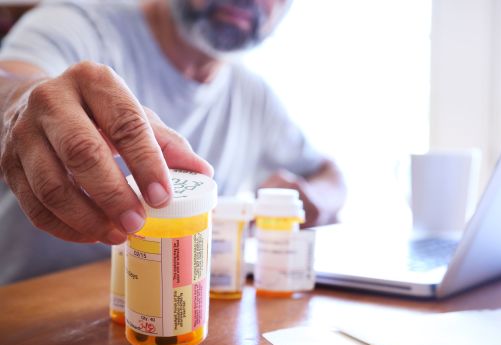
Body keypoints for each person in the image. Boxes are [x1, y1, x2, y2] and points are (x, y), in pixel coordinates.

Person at [0, 0, 346, 284]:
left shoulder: (253, 95)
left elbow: (330, 174)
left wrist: (311, 199)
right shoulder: (79, 23)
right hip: (32, 314)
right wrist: (20, 104)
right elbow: (11, 85)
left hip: (173, 317)